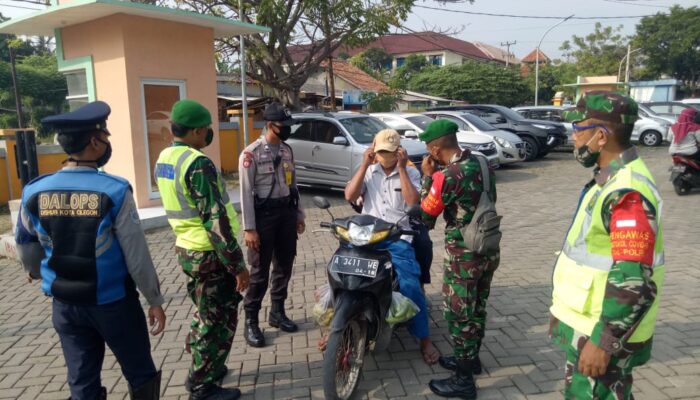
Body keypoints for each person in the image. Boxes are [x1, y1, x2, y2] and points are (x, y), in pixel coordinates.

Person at [15, 101, 165, 400]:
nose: (107, 144)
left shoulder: (33, 191)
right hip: (114, 304)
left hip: (65, 305)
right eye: (105, 138)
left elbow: (25, 243)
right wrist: (154, 298)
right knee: (139, 372)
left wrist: (33, 270)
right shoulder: (115, 191)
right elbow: (137, 256)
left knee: (81, 381)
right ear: (95, 142)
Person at [551, 91, 665, 399]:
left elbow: (633, 279)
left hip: (600, 332)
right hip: (591, 325)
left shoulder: (627, 190)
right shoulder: (608, 179)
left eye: (578, 129)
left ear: (601, 136)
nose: (573, 138)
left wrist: (604, 341)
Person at [155, 99, 248, 400]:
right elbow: (216, 221)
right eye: (207, 128)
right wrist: (237, 265)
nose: (209, 133)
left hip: (186, 248)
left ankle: (206, 365)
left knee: (205, 312)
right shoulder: (197, 163)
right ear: (195, 131)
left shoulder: (166, 157)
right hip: (210, 253)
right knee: (216, 319)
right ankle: (202, 386)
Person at [418, 119, 499, 399]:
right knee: (477, 307)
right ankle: (471, 359)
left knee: (458, 313)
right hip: (488, 246)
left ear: (436, 149)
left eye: (429, 148)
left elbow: (426, 217)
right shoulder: (482, 162)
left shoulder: (446, 176)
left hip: (463, 255)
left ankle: (463, 381)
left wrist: (427, 177)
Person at [344, 128, 440, 365]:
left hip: (398, 238)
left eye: (390, 151)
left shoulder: (409, 172)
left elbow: (412, 201)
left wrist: (401, 168)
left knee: (410, 286)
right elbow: (350, 195)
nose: (385, 155)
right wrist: (365, 165)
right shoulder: (368, 172)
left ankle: (424, 338)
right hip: (367, 237)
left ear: (399, 151)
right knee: (342, 274)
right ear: (374, 151)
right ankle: (337, 330)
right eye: (381, 151)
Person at [239, 102, 305, 348]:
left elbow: (294, 185)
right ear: (269, 125)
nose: (287, 130)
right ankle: (251, 320)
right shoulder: (251, 154)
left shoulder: (287, 151)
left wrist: (299, 215)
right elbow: (246, 194)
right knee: (259, 273)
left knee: (284, 266)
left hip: (286, 214)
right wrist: (249, 228)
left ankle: (277, 312)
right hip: (263, 219)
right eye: (282, 127)